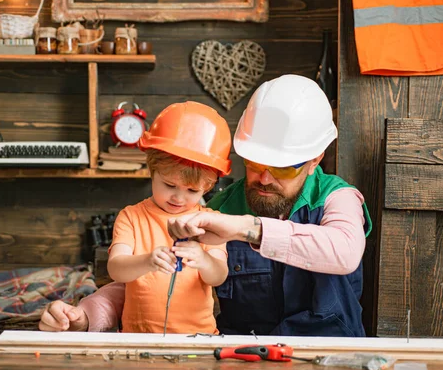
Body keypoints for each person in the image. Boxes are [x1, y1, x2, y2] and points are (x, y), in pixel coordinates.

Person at [39, 74, 372, 337]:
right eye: (254, 163)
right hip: (242, 364)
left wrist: (246, 229)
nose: (264, 178)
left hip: (329, 364)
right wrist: (87, 315)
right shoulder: (217, 209)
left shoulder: (336, 199)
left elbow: (343, 251)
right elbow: (148, 288)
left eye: (282, 167)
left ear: (315, 159)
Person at [82, 102, 231, 334]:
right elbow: (116, 269)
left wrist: (204, 259)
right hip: (137, 338)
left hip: (198, 338)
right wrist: (147, 261)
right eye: (169, 185)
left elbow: (219, 276)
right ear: (152, 171)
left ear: (208, 187)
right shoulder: (132, 217)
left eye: (192, 191)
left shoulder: (210, 223)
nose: (179, 197)